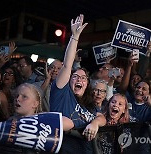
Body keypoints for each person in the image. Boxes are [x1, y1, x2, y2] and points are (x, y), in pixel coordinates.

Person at [50, 14, 106, 153]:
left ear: (87, 84)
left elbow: (102, 118)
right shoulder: (62, 93)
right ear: (68, 80)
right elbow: (67, 65)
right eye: (75, 76)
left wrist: (94, 123)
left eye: (83, 78)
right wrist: (75, 36)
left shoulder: (89, 105)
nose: (79, 79)